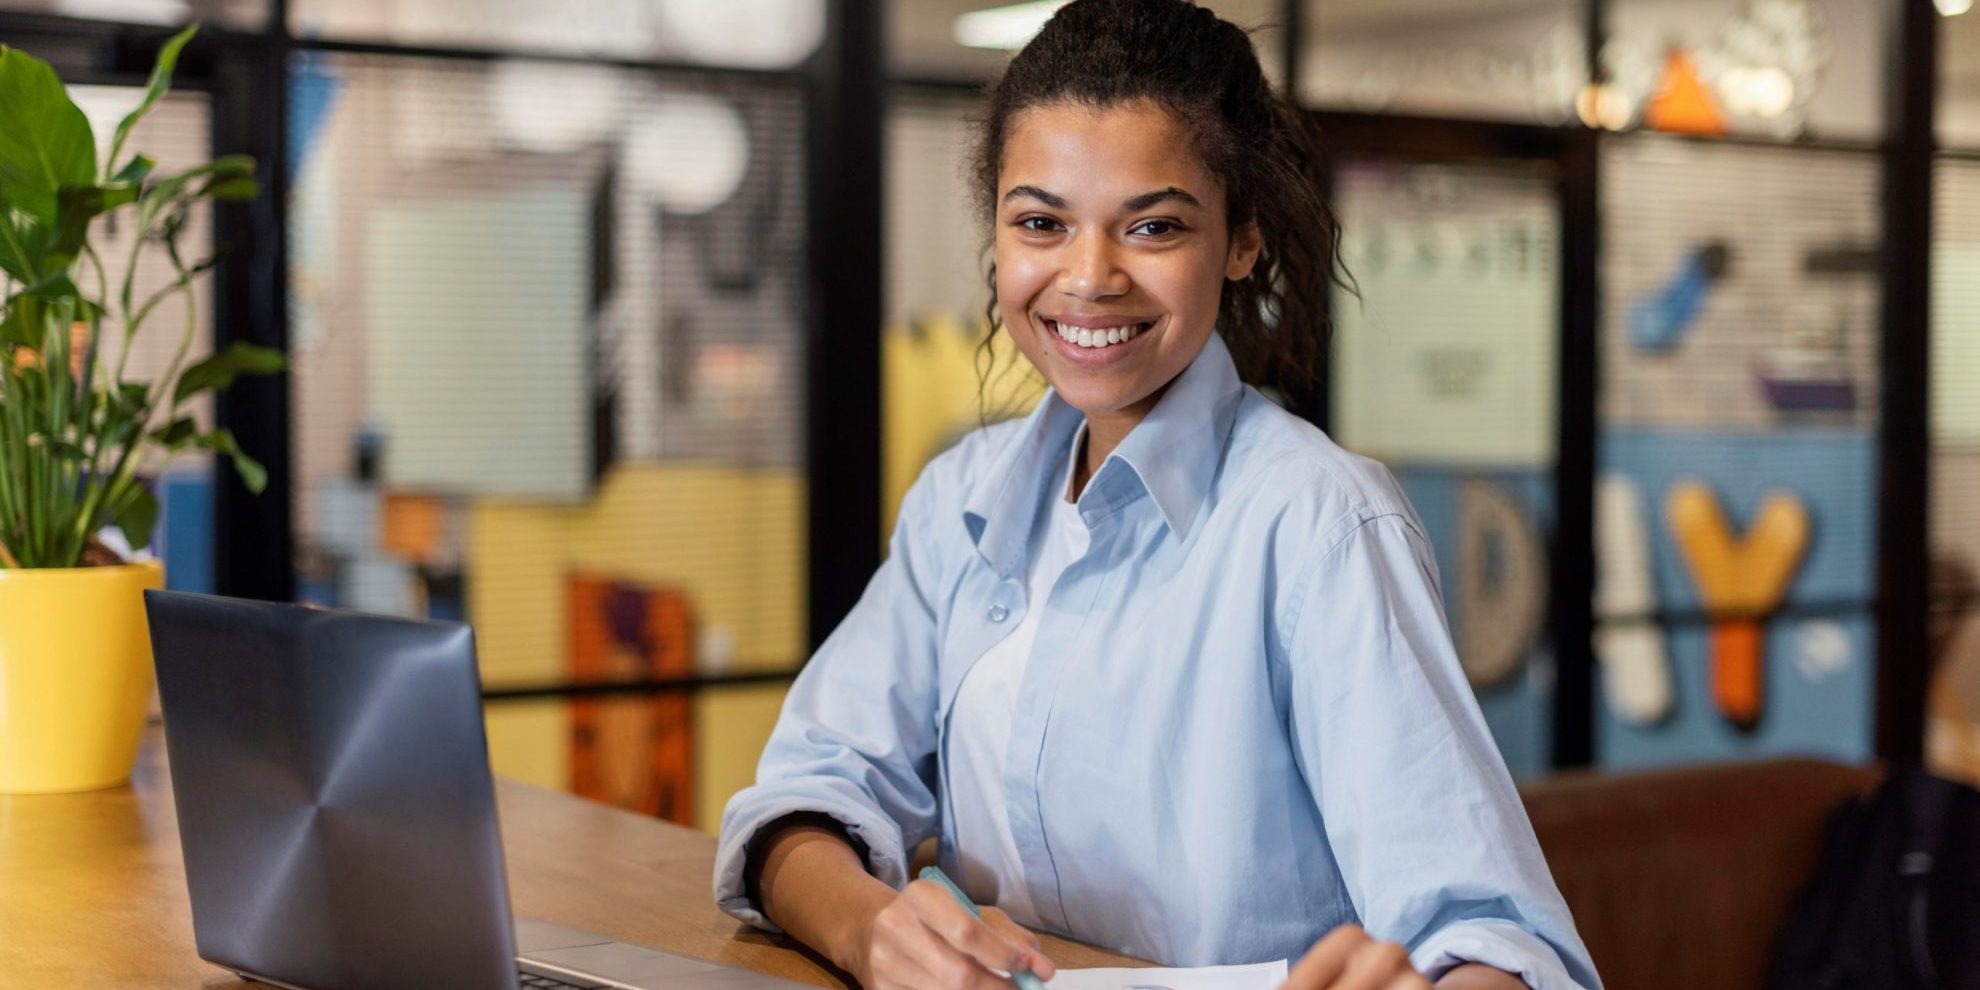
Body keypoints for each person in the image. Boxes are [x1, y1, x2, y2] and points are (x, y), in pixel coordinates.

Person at [713, 3, 1601, 988]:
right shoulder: (960, 499)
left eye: (1154, 225)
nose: (1089, 278)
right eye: (1042, 223)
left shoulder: (1321, 523)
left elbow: (1499, 944)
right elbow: (803, 796)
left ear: (1242, 241)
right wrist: (873, 931)